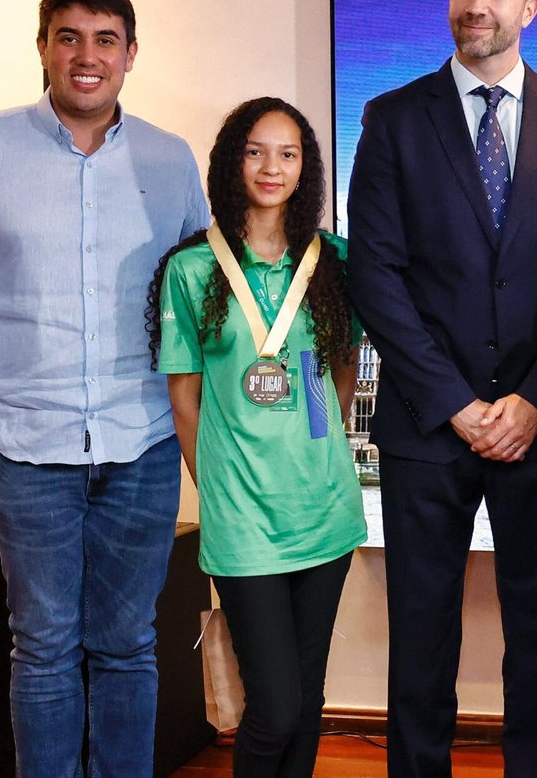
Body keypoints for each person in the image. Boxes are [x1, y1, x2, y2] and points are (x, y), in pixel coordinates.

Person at [0, 0, 208, 776]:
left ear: (131, 54)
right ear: (43, 47)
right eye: (69, 36)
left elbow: (201, 300)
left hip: (140, 441)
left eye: (106, 39)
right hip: (24, 445)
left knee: (129, 642)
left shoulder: (170, 159)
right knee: (42, 646)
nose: (86, 55)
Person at [346, 0, 537, 777]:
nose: (476, 6)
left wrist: (535, 396)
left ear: (529, 8)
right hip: (428, 426)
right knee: (421, 638)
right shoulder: (392, 118)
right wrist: (457, 403)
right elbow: (375, 275)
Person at [150, 97, 366, 776]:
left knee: (306, 697)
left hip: (324, 509)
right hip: (244, 520)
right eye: (256, 151)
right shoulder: (192, 270)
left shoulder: (333, 261)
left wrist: (313, 439)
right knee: (273, 705)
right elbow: (184, 402)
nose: (272, 167)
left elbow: (339, 369)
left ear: (305, 168)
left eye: (288, 154)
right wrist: (218, 489)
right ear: (231, 161)